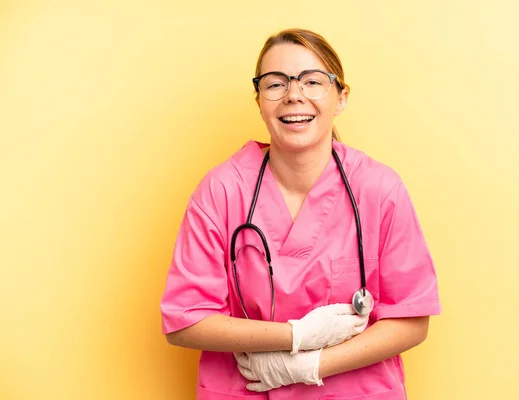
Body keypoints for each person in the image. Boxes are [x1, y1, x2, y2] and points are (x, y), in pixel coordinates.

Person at [160, 28, 441, 399]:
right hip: (245, 389)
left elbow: (411, 320)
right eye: (275, 84)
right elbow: (185, 320)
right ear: (259, 100)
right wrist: (297, 336)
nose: (294, 95)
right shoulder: (222, 191)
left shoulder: (379, 189)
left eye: (312, 81)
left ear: (340, 98)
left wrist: (308, 365)